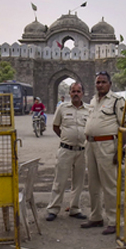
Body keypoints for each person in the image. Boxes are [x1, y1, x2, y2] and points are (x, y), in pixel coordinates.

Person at [81, 71, 125, 235]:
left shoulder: (117, 101)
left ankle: (114, 221)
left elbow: (125, 126)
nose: (100, 85)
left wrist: (120, 150)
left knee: (109, 185)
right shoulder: (93, 101)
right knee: (93, 183)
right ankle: (96, 217)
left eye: (103, 82)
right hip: (90, 145)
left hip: (107, 145)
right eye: (98, 82)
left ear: (110, 84)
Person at [46, 82, 89, 221]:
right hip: (66, 149)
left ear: (82, 93)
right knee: (60, 180)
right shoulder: (62, 108)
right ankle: (53, 209)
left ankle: (74, 208)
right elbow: (56, 126)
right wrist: (66, 138)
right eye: (73, 91)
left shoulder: (88, 109)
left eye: (78, 91)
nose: (76, 94)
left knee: (78, 182)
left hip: (82, 151)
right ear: (70, 94)